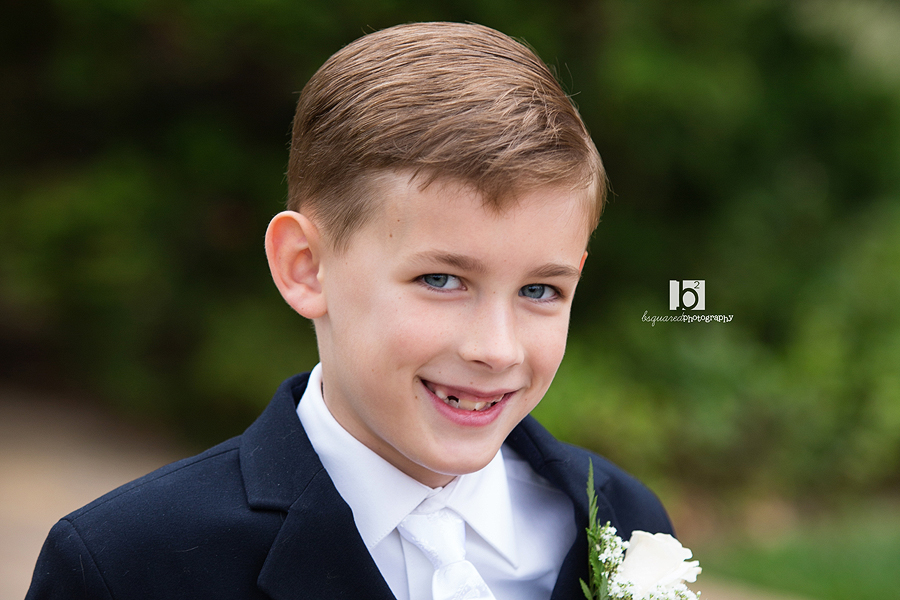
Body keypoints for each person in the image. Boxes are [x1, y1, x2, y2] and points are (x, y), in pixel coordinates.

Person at [27, 22, 672, 600]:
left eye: (540, 291)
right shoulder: (128, 566)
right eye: (441, 279)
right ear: (305, 266)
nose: (496, 349)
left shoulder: (625, 522)